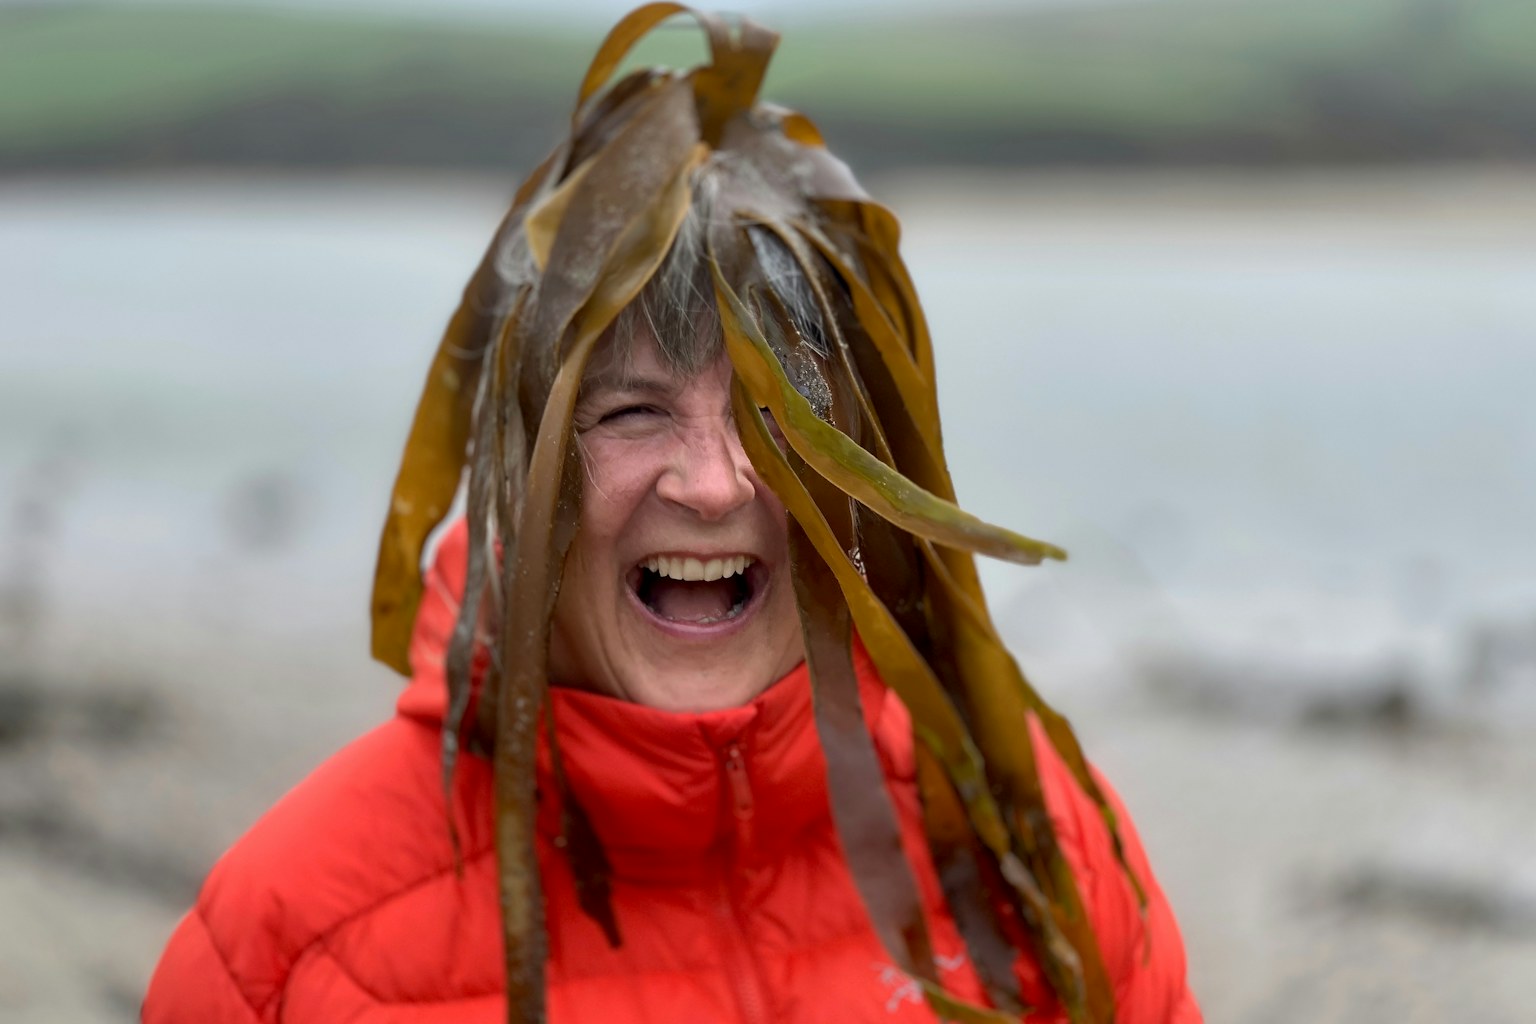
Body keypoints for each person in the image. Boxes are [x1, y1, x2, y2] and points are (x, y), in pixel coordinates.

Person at [143, 5, 1200, 1023]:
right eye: (630, 411)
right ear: (519, 461)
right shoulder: (286, 947)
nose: (714, 482)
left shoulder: (1039, 842)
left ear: (867, 474)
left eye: (786, 422)